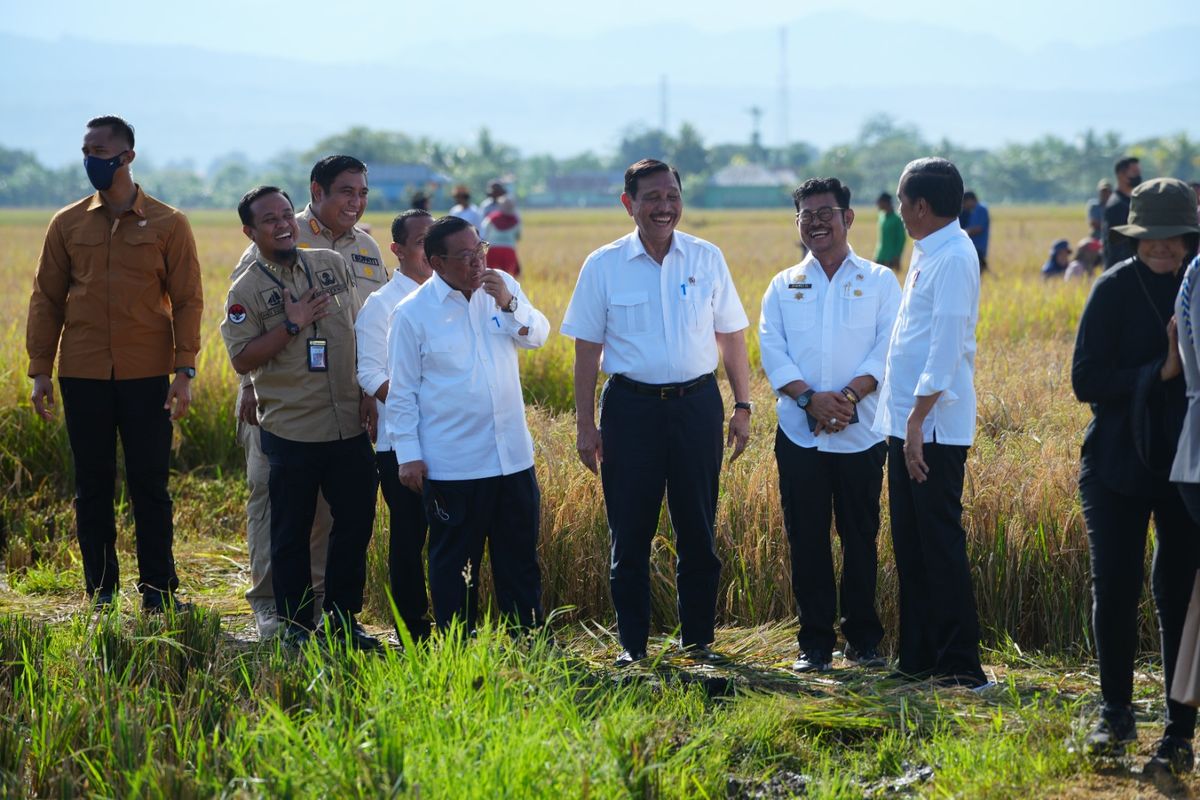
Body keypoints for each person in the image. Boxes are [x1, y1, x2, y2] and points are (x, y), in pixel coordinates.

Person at [561, 158, 753, 666]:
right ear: (629, 204)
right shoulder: (602, 265)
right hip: (631, 411)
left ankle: (699, 644)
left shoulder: (706, 257)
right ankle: (633, 648)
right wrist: (585, 425)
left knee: (699, 531)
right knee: (630, 534)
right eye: (652, 197)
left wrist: (743, 404)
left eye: (672, 195)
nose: (664, 207)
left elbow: (731, 334)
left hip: (696, 407)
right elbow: (586, 349)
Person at [26, 115, 203, 612]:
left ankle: (158, 593)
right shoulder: (66, 223)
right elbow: (46, 298)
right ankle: (101, 592)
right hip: (81, 371)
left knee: (150, 484)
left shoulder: (169, 222)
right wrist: (40, 368)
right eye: (86, 150)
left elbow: (188, 299)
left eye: (100, 151)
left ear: (126, 157)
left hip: (147, 374)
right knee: (92, 485)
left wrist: (184, 370)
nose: (91, 160)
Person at [231, 155, 387, 639]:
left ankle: (331, 613)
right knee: (282, 514)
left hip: (344, 405)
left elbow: (373, 323)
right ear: (316, 192)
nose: (355, 202)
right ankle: (273, 609)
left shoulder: (360, 249)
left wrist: (370, 390)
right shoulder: (278, 234)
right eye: (346, 192)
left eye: (362, 193)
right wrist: (248, 388)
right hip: (286, 408)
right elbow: (249, 328)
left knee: (347, 515)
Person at [1075, 178, 1200, 774]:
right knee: (1115, 590)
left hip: (1189, 466)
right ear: (1135, 236)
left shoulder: (1198, 289)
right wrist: (1163, 369)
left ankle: (1179, 731)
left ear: (1188, 236)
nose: (1162, 249)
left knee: (1179, 595)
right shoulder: (1112, 290)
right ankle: (1115, 714)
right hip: (1115, 463)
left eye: (1173, 238)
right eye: (1150, 238)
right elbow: (1086, 381)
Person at [759, 178, 901, 673]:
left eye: (827, 212)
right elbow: (772, 349)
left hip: (861, 433)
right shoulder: (783, 285)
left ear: (849, 218)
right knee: (807, 539)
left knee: (862, 537)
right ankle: (814, 644)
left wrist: (845, 398)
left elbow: (887, 348)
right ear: (797, 223)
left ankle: (863, 640)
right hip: (801, 434)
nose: (817, 222)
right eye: (807, 215)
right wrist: (809, 400)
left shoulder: (881, 280)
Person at [387, 216, 550, 632]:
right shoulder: (412, 314)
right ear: (436, 262)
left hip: (511, 458)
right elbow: (402, 392)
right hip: (453, 464)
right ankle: (458, 651)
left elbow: (537, 336)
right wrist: (408, 456)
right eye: (465, 256)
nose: (478, 262)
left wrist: (511, 304)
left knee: (519, 560)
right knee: (455, 566)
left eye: (480, 250)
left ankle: (528, 644)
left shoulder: (501, 289)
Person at [873, 157, 987, 688]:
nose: (898, 211)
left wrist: (917, 421)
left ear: (920, 205)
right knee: (912, 545)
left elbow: (944, 349)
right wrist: (905, 423)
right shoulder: (929, 252)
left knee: (938, 544)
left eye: (901, 202)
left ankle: (961, 666)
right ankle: (918, 659)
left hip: (932, 430)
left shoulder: (955, 258)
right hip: (907, 424)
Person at [354, 209, 436, 642]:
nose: (431, 250)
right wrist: (428, 410)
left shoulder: (457, 297)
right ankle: (412, 630)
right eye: (422, 241)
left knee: (453, 538)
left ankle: (457, 623)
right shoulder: (382, 305)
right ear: (398, 250)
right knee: (409, 539)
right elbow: (370, 374)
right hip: (400, 444)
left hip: (455, 443)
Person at [1102, 156, 1143, 269]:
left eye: (1138, 172)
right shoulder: (1116, 205)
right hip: (1120, 269)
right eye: (1134, 172)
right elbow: (1116, 245)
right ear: (1121, 175)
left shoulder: (1131, 202)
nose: (1138, 176)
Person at [482, 196, 522, 277]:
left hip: (492, 251)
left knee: (490, 277)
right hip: (509, 251)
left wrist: (483, 253)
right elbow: (518, 237)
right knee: (509, 278)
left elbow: (483, 235)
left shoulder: (490, 218)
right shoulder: (516, 221)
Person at [873, 191, 906, 270]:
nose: (877, 204)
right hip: (879, 255)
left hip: (890, 257)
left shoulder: (897, 219)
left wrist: (897, 256)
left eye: (879, 202)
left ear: (886, 203)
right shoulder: (881, 216)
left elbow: (901, 239)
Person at [960, 190, 990, 273]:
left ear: (971, 200)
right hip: (971, 247)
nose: (964, 205)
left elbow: (979, 228)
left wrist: (963, 233)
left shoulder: (981, 209)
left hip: (978, 246)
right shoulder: (970, 211)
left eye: (965, 202)